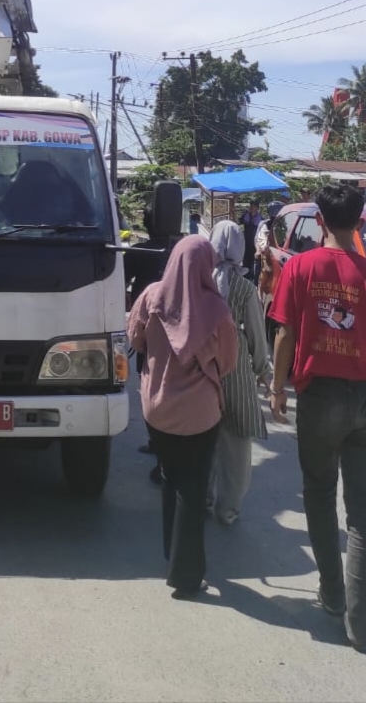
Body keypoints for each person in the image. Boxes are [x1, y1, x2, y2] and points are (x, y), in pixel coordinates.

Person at [269, 182, 366, 654]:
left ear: (319, 222)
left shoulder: (299, 268)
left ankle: (330, 591)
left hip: (318, 396)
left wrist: (277, 387)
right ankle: (360, 624)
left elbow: (285, 335)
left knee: (320, 494)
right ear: (360, 223)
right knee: (364, 511)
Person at [128, 236, 238, 599]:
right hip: (200, 415)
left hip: (157, 409)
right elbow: (229, 362)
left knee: (170, 480)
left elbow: (136, 339)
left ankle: (171, 556)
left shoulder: (151, 297)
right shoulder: (217, 310)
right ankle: (186, 576)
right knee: (193, 491)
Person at [207, 221, 269, 526]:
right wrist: (264, 371)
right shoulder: (245, 289)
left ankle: (203, 497)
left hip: (203, 371)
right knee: (237, 447)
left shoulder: (200, 280)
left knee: (205, 439)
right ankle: (228, 508)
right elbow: (257, 335)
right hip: (236, 373)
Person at [238, 200, 262, 278]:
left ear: (257, 208)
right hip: (246, 240)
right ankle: (245, 274)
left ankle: (252, 275)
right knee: (245, 257)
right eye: (251, 206)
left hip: (254, 241)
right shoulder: (246, 215)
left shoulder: (260, 218)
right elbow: (239, 221)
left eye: (254, 206)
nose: (252, 208)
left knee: (253, 258)